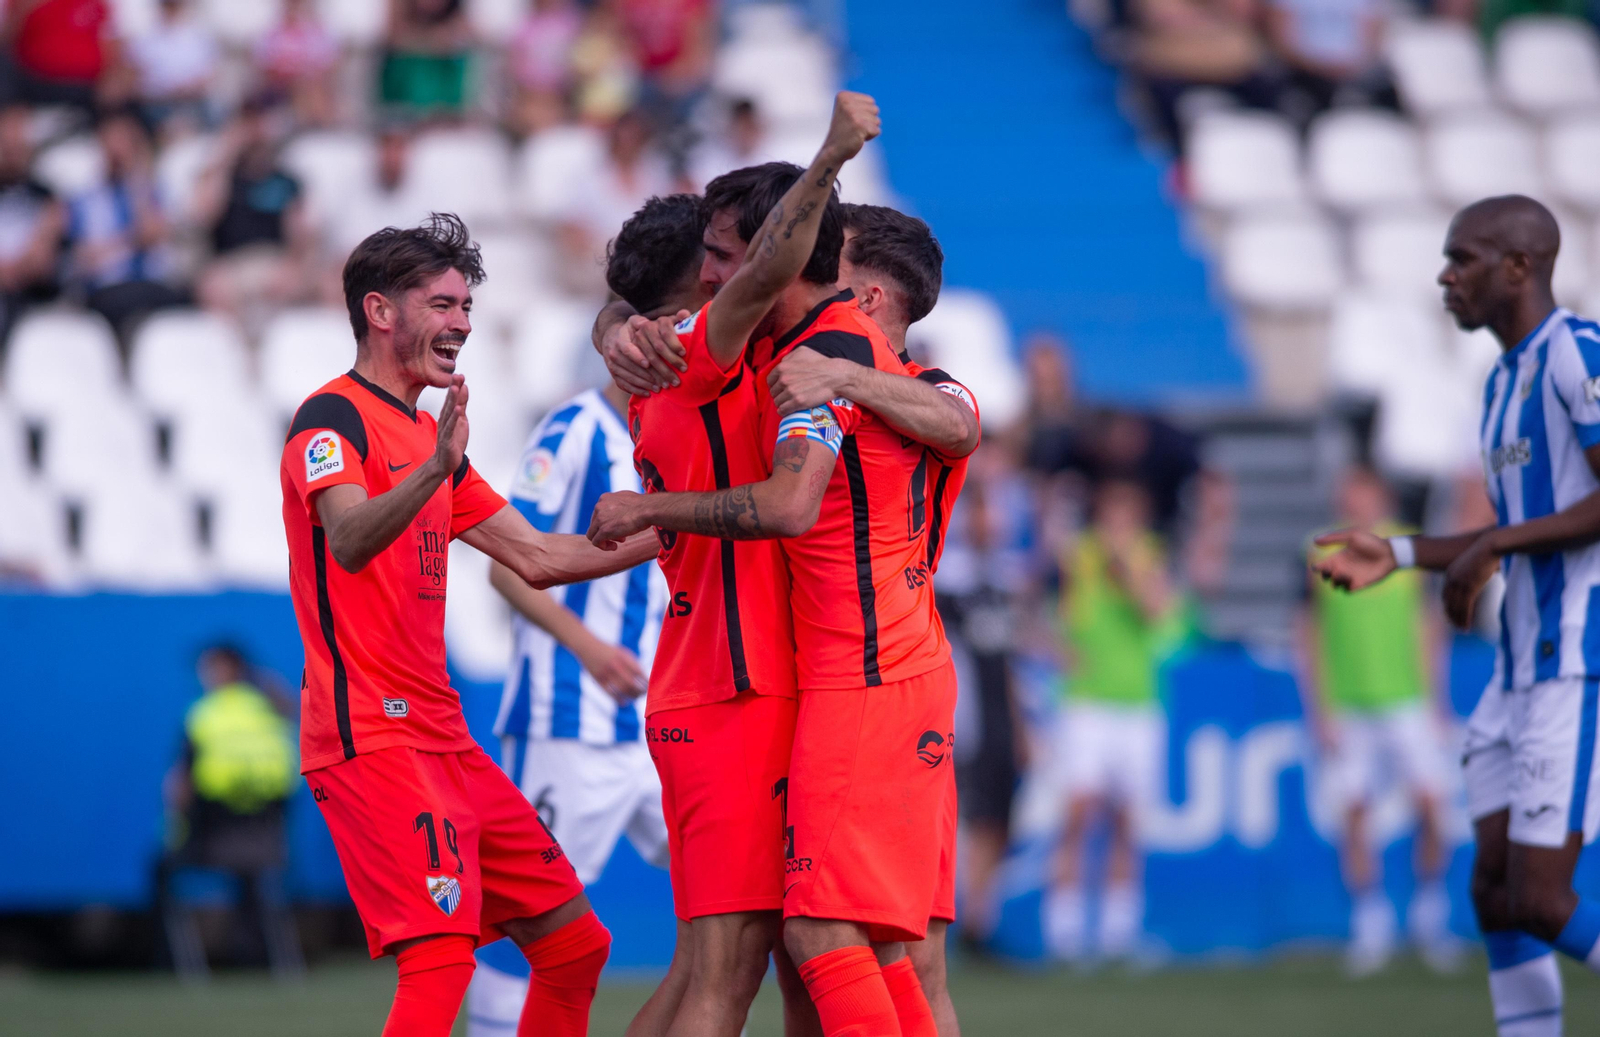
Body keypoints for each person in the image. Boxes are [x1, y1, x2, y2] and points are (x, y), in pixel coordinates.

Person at [589, 106, 983, 1037]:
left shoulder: (835, 365)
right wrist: (618, 318)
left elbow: (821, 486)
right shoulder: (723, 357)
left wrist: (835, 156)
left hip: (835, 680)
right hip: (776, 684)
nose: (741, 271)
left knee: (812, 950)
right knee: (817, 954)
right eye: (716, 261)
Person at [279, 212, 659, 1037]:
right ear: (381, 311)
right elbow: (347, 538)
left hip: (445, 739)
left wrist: (685, 524)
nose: (462, 323)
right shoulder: (331, 419)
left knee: (575, 945)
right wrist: (435, 472)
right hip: (370, 739)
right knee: (443, 955)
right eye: (444, 303)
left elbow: (544, 558)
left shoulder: (425, 431)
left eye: (466, 306)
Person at [1314, 195, 1600, 1037]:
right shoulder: (1500, 381)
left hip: (1575, 659)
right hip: (1518, 668)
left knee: (1543, 899)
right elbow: (1520, 522)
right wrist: (1402, 554)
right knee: (1493, 889)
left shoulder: (1575, 352)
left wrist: (1496, 546)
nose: (1445, 276)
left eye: (1463, 259)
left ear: (1519, 265)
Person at [464, 374, 671, 1037]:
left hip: (661, 718)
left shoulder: (677, 426)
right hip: (570, 716)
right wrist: (590, 648)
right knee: (529, 911)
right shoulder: (574, 429)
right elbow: (504, 563)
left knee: (729, 895)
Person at [1301, 466, 1458, 976]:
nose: (1357, 501)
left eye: (1365, 492)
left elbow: (1429, 623)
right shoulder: (1319, 550)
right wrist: (1319, 706)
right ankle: (1370, 920)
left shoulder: (1407, 548)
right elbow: (1308, 632)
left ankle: (1429, 912)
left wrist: (1437, 698)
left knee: (1433, 804)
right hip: (1349, 700)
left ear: (1382, 497)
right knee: (1353, 809)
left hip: (1405, 698)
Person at [1043, 478, 1178, 964]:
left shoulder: (1149, 555)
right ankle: (1064, 931)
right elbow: (1046, 610)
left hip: (1137, 702)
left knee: (1127, 818)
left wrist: (1127, 568)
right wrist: (1056, 649)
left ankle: (1119, 933)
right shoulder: (1077, 554)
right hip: (1087, 701)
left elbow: (1157, 610)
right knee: (1077, 813)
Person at [155, 645, 301, 978]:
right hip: (267, 844)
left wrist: (173, 828)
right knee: (252, 878)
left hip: (214, 843)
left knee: (161, 867)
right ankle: (255, 956)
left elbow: (180, 788)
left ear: (227, 670)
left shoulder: (205, 715)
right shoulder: (270, 712)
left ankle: (167, 964)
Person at [67, 106, 187, 340]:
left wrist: (137, 176)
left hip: (152, 284)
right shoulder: (85, 199)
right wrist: (132, 239)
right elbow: (86, 259)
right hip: (107, 290)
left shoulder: (149, 192)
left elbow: (153, 233)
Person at [194, 96, 313, 330]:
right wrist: (226, 154)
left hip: (273, 260)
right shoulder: (223, 175)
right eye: (249, 123)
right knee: (215, 288)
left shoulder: (286, 180)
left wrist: (295, 265)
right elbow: (204, 215)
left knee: (293, 283)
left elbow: (301, 236)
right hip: (230, 264)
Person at [0, 103, 64, 341]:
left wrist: (13, 271)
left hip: (31, 295)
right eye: (7, 145)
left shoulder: (47, 196)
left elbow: (42, 261)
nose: (12, 150)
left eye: (18, 145)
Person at [126, 0, 217, 135]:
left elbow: (209, 76)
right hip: (156, 104)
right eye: (167, 4)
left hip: (191, 102)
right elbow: (133, 78)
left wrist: (186, 89)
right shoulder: (145, 37)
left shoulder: (199, 36)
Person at [254, 0, 341, 127]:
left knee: (316, 93)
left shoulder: (317, 32)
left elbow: (328, 66)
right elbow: (265, 65)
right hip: (279, 89)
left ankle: (318, 126)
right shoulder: (271, 31)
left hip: (309, 87)